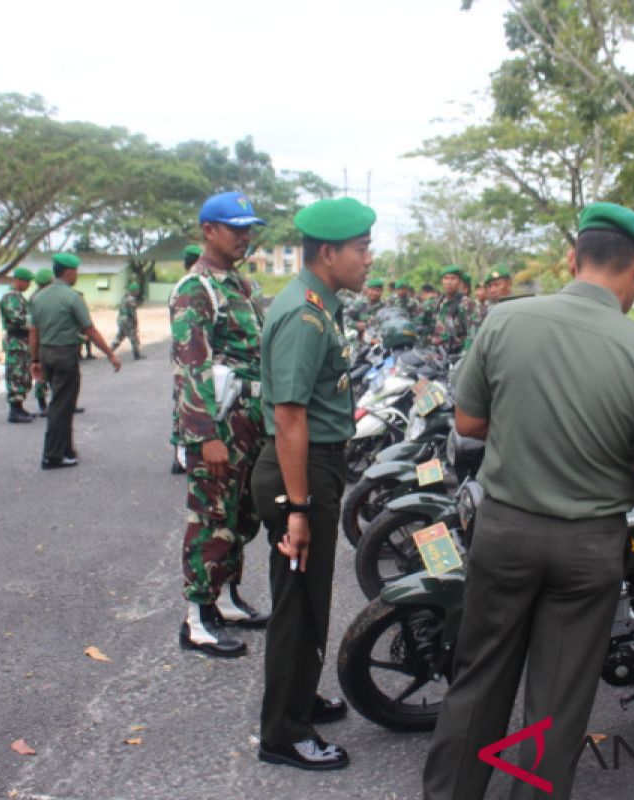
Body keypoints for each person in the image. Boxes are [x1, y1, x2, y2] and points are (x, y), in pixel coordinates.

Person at [422, 202, 634, 800]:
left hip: (505, 530)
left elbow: (468, 421)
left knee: (479, 679)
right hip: (589, 547)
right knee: (557, 700)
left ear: (574, 257)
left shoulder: (504, 320)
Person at [252, 196, 375, 771]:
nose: (368, 259)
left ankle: (297, 697)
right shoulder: (303, 315)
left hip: (314, 466)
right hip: (300, 472)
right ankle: (283, 733)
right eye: (360, 248)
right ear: (329, 253)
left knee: (307, 599)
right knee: (299, 605)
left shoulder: (321, 303)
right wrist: (299, 508)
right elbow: (288, 416)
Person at [172, 192, 270, 656]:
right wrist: (204, 436)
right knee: (211, 518)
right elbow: (192, 367)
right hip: (220, 422)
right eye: (235, 229)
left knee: (241, 517)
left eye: (249, 229)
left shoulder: (240, 286)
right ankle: (196, 618)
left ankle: (227, 597)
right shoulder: (197, 288)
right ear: (208, 230)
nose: (244, 237)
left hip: (250, 421)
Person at [28, 253, 120, 469]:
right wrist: (110, 353)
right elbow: (90, 330)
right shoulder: (72, 298)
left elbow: (33, 332)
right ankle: (51, 456)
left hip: (46, 354)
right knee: (61, 406)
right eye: (76, 272)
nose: (76, 275)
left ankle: (66, 449)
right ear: (69, 272)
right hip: (64, 355)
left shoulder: (38, 297)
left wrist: (34, 359)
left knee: (63, 403)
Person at [171, 244, 202, 474]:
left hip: (180, 357)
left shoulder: (179, 287)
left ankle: (178, 454)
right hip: (193, 359)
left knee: (181, 404)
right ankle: (186, 455)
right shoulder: (196, 287)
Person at [0, 266, 36, 423]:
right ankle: (14, 410)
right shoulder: (10, 297)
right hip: (16, 341)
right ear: (19, 280)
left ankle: (19, 407)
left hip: (23, 341)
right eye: (27, 282)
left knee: (23, 375)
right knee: (16, 374)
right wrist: (34, 323)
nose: (28, 285)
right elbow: (16, 318)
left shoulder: (19, 296)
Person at [432, 265, 478, 355]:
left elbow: (472, 335)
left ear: (460, 282)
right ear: (442, 281)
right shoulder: (439, 302)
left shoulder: (466, 303)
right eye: (446, 278)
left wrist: (464, 356)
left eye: (453, 279)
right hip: (438, 353)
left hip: (456, 355)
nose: (449, 282)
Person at [31, 268, 54, 417]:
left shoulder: (36, 297)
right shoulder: (39, 298)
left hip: (43, 340)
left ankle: (47, 404)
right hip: (41, 340)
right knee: (42, 375)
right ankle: (42, 404)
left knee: (46, 374)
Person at [110, 281, 144, 360]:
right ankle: (137, 355)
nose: (138, 292)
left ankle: (110, 351)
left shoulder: (124, 297)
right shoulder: (131, 299)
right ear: (134, 291)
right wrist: (135, 323)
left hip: (121, 319)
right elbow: (133, 312)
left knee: (119, 337)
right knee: (133, 337)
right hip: (128, 320)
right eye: (137, 290)